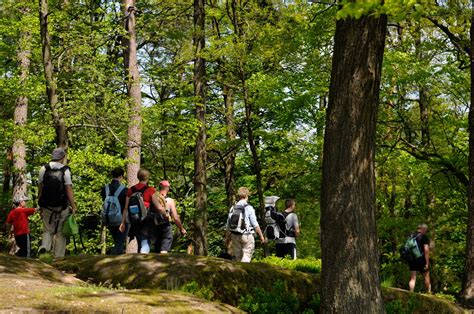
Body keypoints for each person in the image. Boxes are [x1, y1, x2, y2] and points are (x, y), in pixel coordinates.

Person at [38, 147, 77, 257]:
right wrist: (73, 206)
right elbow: (68, 189)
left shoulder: (43, 168)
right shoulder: (65, 170)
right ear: (63, 157)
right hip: (62, 207)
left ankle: (44, 249)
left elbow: (40, 188)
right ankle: (58, 258)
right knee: (61, 233)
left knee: (47, 230)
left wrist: (40, 204)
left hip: (46, 206)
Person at [119, 169, 165, 253]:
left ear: (138, 177)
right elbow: (159, 207)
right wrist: (165, 214)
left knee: (140, 241)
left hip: (134, 218)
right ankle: (143, 258)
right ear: (147, 178)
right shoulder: (150, 190)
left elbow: (126, 207)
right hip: (146, 219)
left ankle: (139, 261)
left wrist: (123, 222)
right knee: (145, 241)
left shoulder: (131, 190)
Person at [226, 187, 266, 262]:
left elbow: (228, 225)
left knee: (238, 257)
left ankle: (238, 272)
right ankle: (244, 270)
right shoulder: (249, 208)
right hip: (247, 235)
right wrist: (261, 236)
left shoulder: (233, 208)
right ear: (246, 196)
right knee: (247, 256)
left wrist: (227, 237)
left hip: (235, 235)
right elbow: (255, 224)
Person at [153, 180, 186, 254]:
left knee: (156, 251)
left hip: (154, 226)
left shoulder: (154, 198)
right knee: (164, 250)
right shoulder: (170, 201)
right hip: (165, 227)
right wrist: (181, 228)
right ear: (167, 188)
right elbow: (176, 218)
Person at [101, 167, 128, 255]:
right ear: (121, 176)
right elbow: (125, 207)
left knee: (117, 240)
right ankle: (111, 260)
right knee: (120, 242)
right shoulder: (124, 190)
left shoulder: (105, 188)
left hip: (108, 218)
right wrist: (123, 222)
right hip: (120, 219)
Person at [408, 223, 431, 293]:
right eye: (426, 230)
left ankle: (411, 292)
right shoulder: (424, 237)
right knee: (426, 276)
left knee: (413, 278)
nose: (426, 231)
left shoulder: (412, 236)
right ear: (423, 229)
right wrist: (427, 263)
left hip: (412, 259)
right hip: (421, 259)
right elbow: (426, 250)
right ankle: (428, 293)